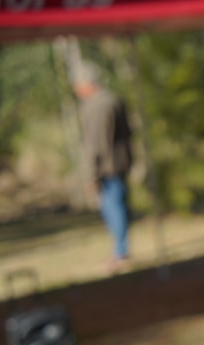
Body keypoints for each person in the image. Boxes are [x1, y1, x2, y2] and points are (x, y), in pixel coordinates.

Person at [72, 60, 134, 273]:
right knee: (117, 206)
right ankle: (120, 250)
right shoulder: (112, 100)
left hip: (107, 168)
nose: (76, 89)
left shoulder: (97, 104)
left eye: (78, 84)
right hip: (119, 163)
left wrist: (90, 174)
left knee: (113, 208)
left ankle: (120, 252)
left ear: (87, 83)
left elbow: (95, 143)